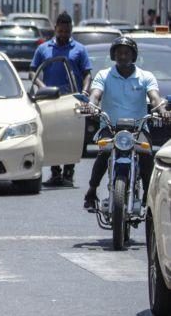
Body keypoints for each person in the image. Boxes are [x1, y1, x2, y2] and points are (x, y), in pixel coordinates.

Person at [82, 36, 169, 211]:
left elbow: (154, 97)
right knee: (104, 152)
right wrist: (91, 105)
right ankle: (91, 192)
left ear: (133, 56)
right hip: (110, 127)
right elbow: (95, 94)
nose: (122, 56)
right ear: (113, 55)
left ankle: (148, 194)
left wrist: (162, 110)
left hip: (138, 129)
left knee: (146, 155)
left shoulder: (146, 76)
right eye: (119, 53)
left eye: (127, 53)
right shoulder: (104, 75)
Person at [30, 12, 92, 187]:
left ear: (71, 30)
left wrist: (85, 92)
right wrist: (41, 86)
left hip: (73, 99)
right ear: (55, 29)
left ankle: (69, 174)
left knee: (72, 136)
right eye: (61, 31)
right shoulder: (43, 48)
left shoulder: (80, 49)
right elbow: (32, 71)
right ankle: (55, 173)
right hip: (50, 98)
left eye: (67, 31)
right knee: (52, 135)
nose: (64, 34)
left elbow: (87, 73)